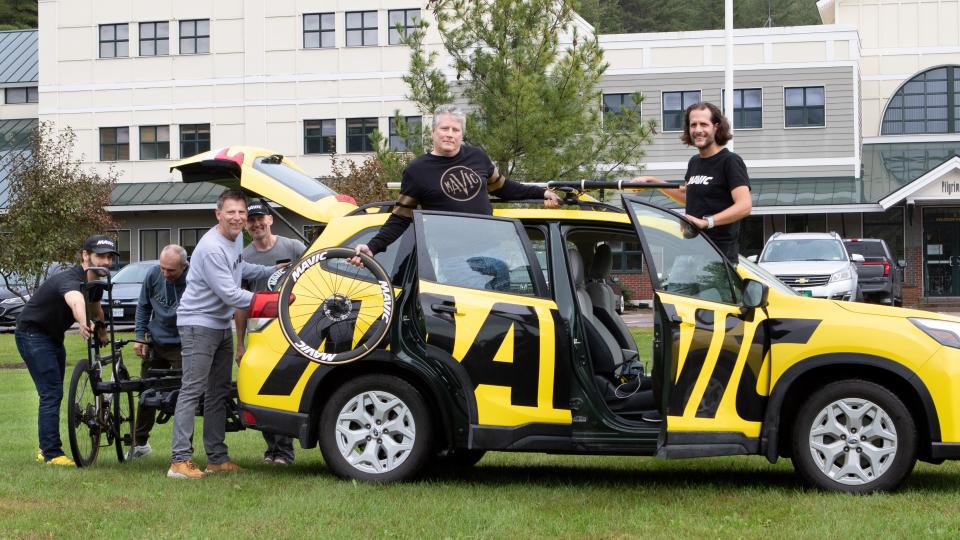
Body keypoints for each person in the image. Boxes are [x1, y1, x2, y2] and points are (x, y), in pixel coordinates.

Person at [351, 104, 563, 263]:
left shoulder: (477, 157)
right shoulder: (417, 171)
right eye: (445, 129)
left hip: (493, 253)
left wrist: (541, 193)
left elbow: (504, 188)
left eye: (455, 130)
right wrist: (373, 247)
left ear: (462, 134)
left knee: (500, 320)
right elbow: (400, 217)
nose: (450, 134)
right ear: (433, 132)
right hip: (454, 260)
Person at [167, 189, 281, 479]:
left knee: (217, 393)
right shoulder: (212, 247)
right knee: (192, 390)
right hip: (198, 325)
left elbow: (242, 268)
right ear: (218, 214)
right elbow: (230, 293)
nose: (238, 217)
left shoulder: (234, 241)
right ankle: (179, 462)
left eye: (241, 212)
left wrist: (275, 270)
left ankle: (216, 458)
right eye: (231, 212)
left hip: (219, 326)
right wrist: (271, 302)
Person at [15, 235, 117, 466]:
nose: (105, 262)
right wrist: (82, 322)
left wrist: (101, 330)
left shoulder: (95, 283)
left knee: (54, 392)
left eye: (109, 257)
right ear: (85, 255)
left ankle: (45, 447)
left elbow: (95, 307)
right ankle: (52, 454)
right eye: (100, 256)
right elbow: (76, 302)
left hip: (52, 337)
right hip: (32, 334)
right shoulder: (70, 278)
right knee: (51, 393)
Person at [634, 101, 752, 261]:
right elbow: (688, 197)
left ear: (716, 127)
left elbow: (744, 206)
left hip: (718, 258)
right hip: (689, 252)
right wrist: (653, 182)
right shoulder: (695, 162)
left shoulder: (730, 161)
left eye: (704, 124)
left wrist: (707, 222)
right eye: (693, 125)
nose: (698, 130)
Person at [235, 201, 306, 466]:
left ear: (270, 219)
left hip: (292, 330)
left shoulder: (294, 248)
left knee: (282, 386)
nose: (255, 225)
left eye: (260, 219)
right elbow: (241, 303)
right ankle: (272, 450)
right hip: (259, 333)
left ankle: (284, 452)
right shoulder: (244, 256)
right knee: (261, 387)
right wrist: (240, 344)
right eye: (250, 221)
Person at [128, 244, 189, 460]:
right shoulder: (153, 274)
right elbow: (143, 306)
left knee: (186, 397)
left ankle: (184, 450)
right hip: (157, 342)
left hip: (183, 344)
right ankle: (139, 443)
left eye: (170, 270)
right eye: (162, 268)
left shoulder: (193, 280)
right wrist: (139, 336)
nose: (165, 274)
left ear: (184, 266)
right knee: (147, 392)